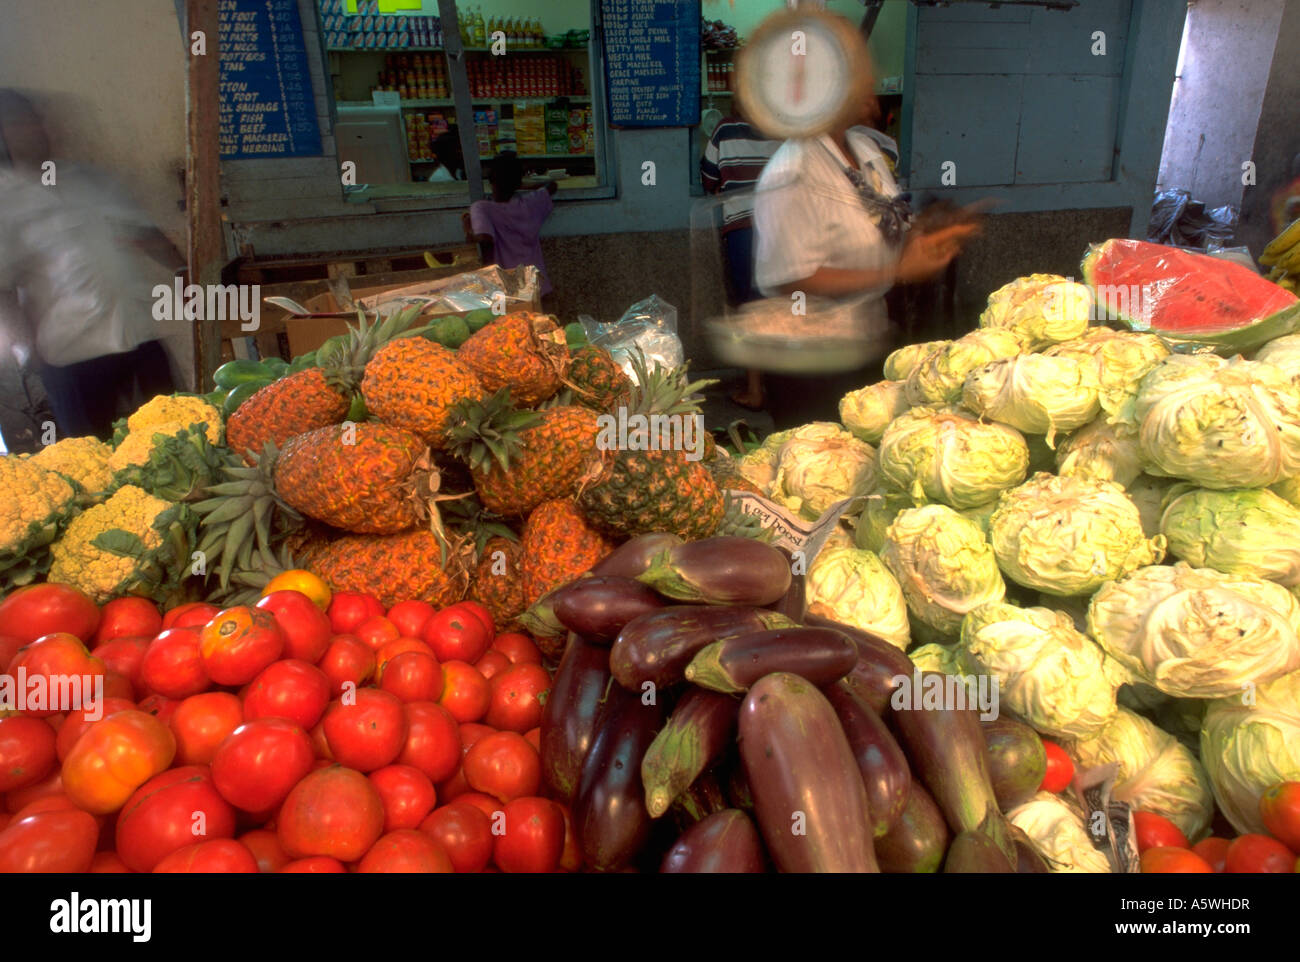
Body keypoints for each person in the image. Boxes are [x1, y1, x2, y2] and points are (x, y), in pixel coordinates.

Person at [752, 83, 977, 429]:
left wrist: (928, 232)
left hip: (868, 343)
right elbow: (792, 277)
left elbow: (888, 221)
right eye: (854, 73)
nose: (868, 85)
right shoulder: (793, 171)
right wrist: (896, 272)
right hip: (812, 366)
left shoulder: (864, 148)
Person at [0, 89, 179, 440]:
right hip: (73, 354)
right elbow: (3, 289)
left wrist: (192, 276)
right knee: (96, 459)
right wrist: (28, 350)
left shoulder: (88, 181)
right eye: (18, 122)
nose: (34, 128)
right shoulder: (6, 203)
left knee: (177, 437)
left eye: (34, 119)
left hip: (137, 336)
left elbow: (146, 235)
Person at [701, 115, 779, 409]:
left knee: (750, 309)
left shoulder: (725, 129)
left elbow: (708, 179)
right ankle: (779, 383)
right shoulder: (791, 129)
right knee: (782, 304)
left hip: (744, 230)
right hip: (784, 229)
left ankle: (756, 389)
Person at [463, 150, 556, 297]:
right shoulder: (530, 202)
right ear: (518, 182)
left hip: (507, 290)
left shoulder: (482, 208)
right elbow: (552, 186)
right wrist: (523, 185)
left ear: (490, 180)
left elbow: (483, 238)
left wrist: (468, 229)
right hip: (537, 285)